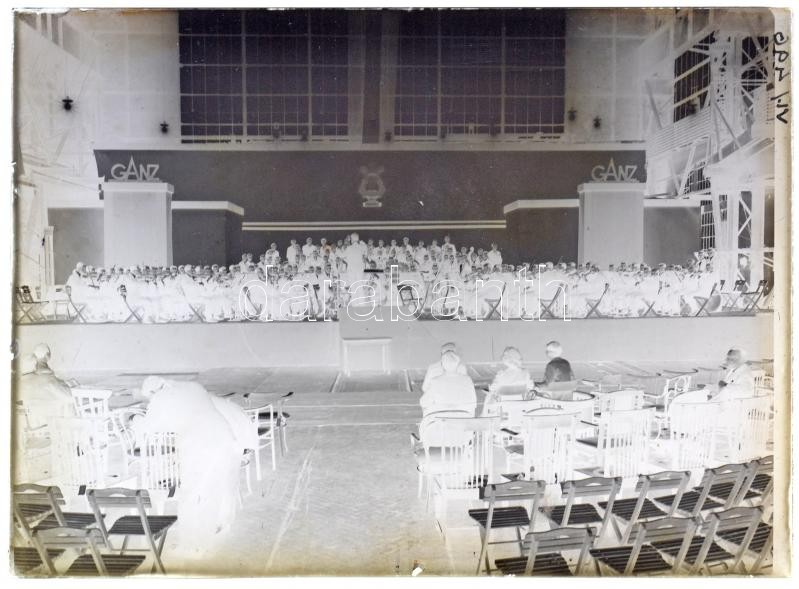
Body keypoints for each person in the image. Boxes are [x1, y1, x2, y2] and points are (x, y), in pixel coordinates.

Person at [135, 376, 242, 557]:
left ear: (153, 392)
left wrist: (136, 419)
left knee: (190, 494)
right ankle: (207, 539)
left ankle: (189, 546)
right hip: (226, 438)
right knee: (213, 490)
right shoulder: (194, 386)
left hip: (200, 444)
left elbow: (149, 427)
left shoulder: (161, 397)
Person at [15, 344, 74, 429]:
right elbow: (68, 397)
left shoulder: (19, 382)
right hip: (43, 423)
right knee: (67, 404)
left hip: (26, 423)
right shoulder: (45, 378)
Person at [419, 351, 476, 417]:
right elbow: (473, 403)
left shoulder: (435, 381)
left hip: (442, 420)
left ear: (442, 365)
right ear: (457, 364)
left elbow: (423, 402)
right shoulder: (468, 380)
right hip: (464, 419)